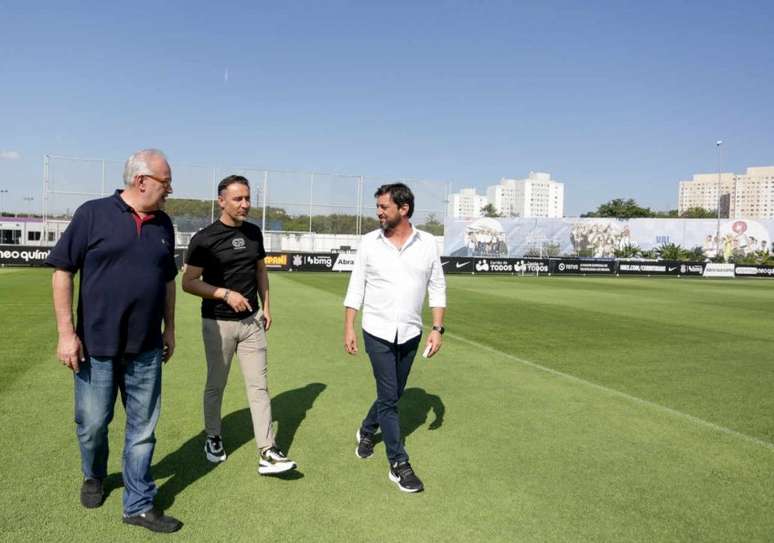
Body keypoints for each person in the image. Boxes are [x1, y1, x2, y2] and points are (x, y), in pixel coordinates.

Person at [46, 149, 182, 533]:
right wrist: (66, 333)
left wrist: (169, 328)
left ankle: (138, 504)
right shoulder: (92, 213)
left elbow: (167, 280)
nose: (169, 189)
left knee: (142, 430)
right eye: (165, 182)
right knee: (92, 424)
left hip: (147, 348)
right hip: (95, 347)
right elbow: (62, 271)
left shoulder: (164, 224)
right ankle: (94, 474)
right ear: (142, 181)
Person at [181, 175, 296, 475]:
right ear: (221, 201)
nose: (245, 204)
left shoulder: (254, 233)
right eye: (238, 199)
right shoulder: (204, 239)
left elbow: (260, 271)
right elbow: (188, 282)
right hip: (217, 324)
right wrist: (224, 293)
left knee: (259, 387)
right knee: (216, 385)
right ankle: (213, 437)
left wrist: (266, 306)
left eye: (247, 198)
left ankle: (267, 450)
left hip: (251, 324)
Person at [343, 183, 447, 493]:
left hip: (412, 333)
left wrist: (437, 329)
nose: (378, 212)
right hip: (377, 331)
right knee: (389, 398)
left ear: (403, 209)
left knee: (394, 393)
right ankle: (398, 463)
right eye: (378, 206)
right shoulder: (369, 243)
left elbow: (437, 287)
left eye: (384, 207)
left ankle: (365, 429)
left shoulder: (427, 243)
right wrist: (349, 326)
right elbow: (356, 286)